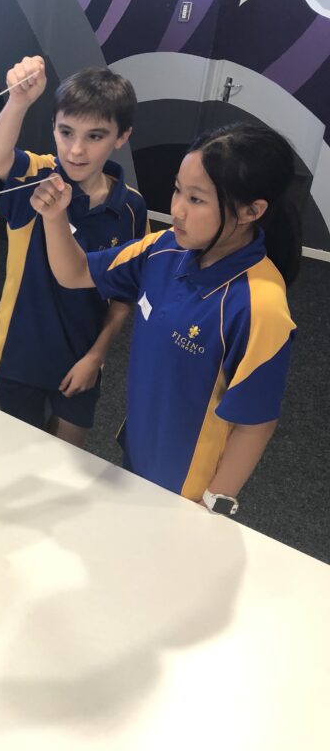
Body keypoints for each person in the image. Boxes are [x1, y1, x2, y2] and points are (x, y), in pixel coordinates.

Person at [30, 122, 300, 513]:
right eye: (178, 190)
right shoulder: (162, 248)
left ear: (251, 211)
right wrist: (55, 217)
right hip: (140, 455)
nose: (177, 209)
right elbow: (73, 273)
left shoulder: (261, 305)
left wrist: (212, 507)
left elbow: (255, 423)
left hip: (189, 492)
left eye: (197, 199)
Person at [0, 56, 149, 447]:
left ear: (121, 137)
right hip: (18, 353)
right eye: (66, 131)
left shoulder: (131, 207)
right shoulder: (35, 175)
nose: (76, 150)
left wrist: (97, 357)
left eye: (95, 136)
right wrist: (18, 101)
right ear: (53, 126)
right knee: (17, 457)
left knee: (68, 461)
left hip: (81, 358)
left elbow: (124, 295)